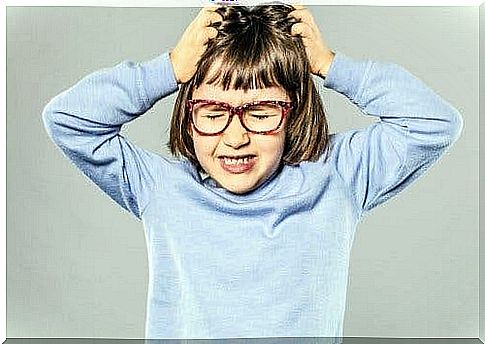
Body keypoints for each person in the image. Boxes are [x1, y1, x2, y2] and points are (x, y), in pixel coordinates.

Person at [42, 4, 463, 341]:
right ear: (188, 118)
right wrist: (168, 68)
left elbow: (433, 123)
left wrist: (330, 65)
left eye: (260, 111)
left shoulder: (338, 178)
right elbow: (67, 119)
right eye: (213, 112)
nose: (235, 137)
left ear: (293, 113)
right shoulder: (162, 187)